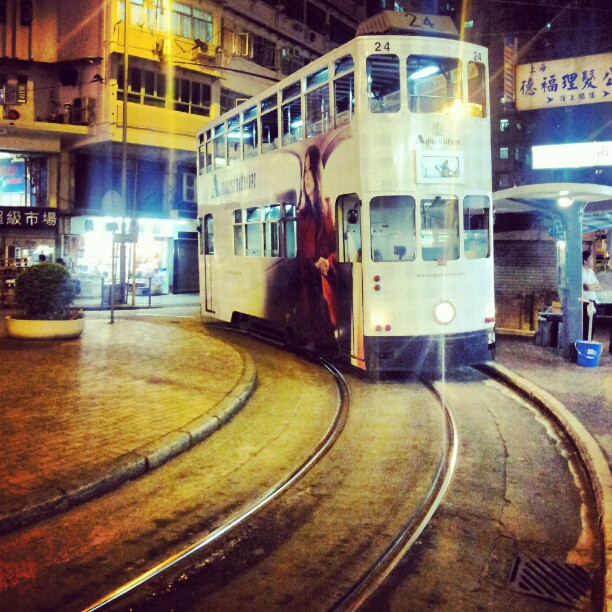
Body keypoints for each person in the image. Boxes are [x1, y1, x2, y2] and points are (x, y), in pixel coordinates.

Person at [296, 145, 337, 348]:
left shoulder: (328, 208)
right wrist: (314, 262)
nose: (306, 177)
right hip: (307, 280)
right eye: (304, 171)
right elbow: (302, 251)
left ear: (317, 173)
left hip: (324, 277)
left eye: (309, 169)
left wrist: (328, 262)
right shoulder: (300, 212)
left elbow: (334, 245)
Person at [582, 250, 600, 340]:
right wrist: (591, 287)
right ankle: (585, 344)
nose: (593, 260)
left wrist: (590, 287)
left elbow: (598, 286)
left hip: (593, 302)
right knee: (586, 326)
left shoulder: (591, 272)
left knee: (592, 325)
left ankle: (590, 342)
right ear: (585, 261)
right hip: (586, 302)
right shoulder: (581, 272)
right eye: (591, 259)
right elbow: (585, 287)